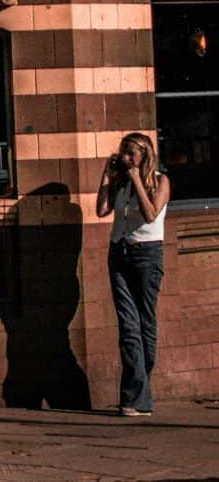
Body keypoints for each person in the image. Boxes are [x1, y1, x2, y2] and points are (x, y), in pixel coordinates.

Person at [96, 133, 171, 417]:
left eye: (131, 153)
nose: (126, 158)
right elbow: (101, 209)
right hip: (119, 252)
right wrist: (107, 175)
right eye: (123, 153)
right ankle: (135, 397)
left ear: (144, 155)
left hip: (147, 255)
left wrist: (138, 178)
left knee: (145, 322)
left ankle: (139, 394)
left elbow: (151, 214)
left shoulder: (161, 181)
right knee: (128, 326)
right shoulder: (122, 182)